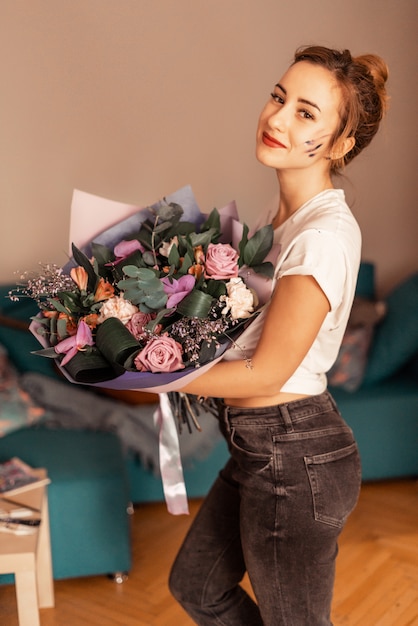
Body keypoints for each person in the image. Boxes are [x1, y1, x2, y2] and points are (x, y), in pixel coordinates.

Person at [168, 45, 389, 625]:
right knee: (198, 585)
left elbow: (269, 371)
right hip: (256, 445)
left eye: (306, 113)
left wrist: (161, 378)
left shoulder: (322, 237)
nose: (277, 118)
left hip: (295, 454)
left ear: (341, 144)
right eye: (278, 96)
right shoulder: (280, 217)